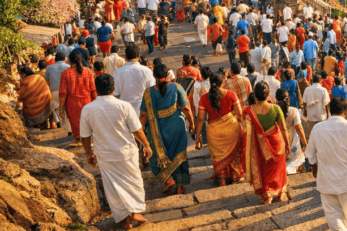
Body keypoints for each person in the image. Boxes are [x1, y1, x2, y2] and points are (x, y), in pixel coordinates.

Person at [80, 74, 152, 230]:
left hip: (105, 155)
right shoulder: (124, 106)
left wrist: (88, 154)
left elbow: (85, 136)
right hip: (126, 153)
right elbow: (137, 130)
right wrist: (146, 145)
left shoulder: (87, 109)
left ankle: (125, 219)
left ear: (96, 90)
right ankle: (134, 211)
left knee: (113, 188)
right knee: (134, 182)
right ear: (113, 88)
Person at [306, 98, 347, 231]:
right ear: (346, 110)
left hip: (326, 179)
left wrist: (314, 167)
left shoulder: (317, 128)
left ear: (329, 110)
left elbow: (310, 154)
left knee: (332, 214)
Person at [140, 63, 195, 195]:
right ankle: (181, 186)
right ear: (168, 75)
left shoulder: (148, 93)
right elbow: (186, 108)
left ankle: (169, 179)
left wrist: (140, 131)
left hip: (158, 130)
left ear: (154, 76)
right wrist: (192, 123)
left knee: (158, 156)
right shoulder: (177, 87)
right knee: (179, 155)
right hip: (177, 126)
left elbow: (143, 115)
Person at [243, 82, 290, 205]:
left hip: (260, 146)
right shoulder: (276, 108)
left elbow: (246, 133)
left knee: (264, 170)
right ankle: (280, 194)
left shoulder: (249, 111)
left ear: (255, 95)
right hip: (277, 144)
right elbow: (283, 128)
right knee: (279, 170)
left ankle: (267, 196)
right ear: (268, 94)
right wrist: (287, 144)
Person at [194, 73, 245, 186]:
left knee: (217, 156)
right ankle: (235, 176)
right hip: (231, 129)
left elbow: (201, 119)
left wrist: (198, 136)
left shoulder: (204, 98)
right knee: (235, 152)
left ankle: (222, 178)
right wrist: (244, 129)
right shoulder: (231, 94)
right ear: (223, 82)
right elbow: (239, 114)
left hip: (214, 131)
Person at [59, 52, 97, 145]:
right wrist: (96, 102)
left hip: (72, 104)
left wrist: (61, 108)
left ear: (69, 61)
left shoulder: (65, 74)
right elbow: (93, 89)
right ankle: (89, 140)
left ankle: (78, 139)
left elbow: (63, 93)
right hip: (87, 102)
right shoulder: (88, 71)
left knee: (75, 123)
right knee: (88, 122)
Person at [275, 88, 307, 174]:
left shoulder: (273, 111)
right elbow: (299, 128)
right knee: (294, 161)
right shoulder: (294, 111)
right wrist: (304, 143)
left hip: (278, 145)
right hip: (293, 145)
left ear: (276, 99)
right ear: (288, 98)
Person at [302, 73, 330, 138]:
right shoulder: (323, 90)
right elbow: (326, 104)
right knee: (321, 137)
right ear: (320, 81)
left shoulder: (307, 89)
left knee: (310, 137)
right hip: (321, 116)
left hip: (310, 116)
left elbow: (304, 102)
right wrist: (328, 114)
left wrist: (304, 111)